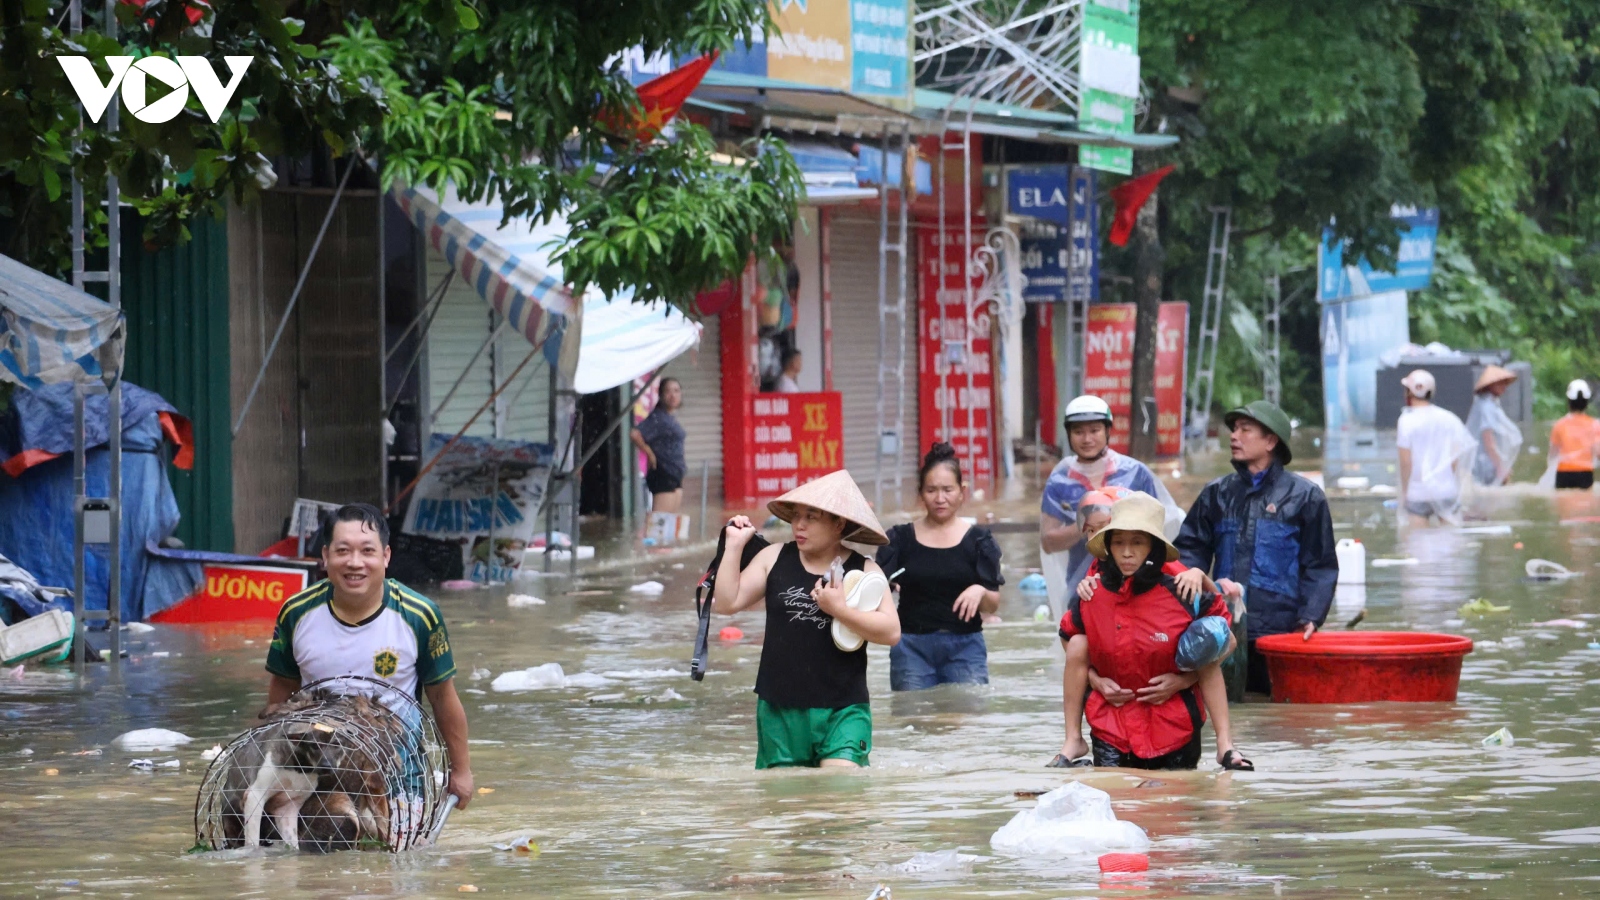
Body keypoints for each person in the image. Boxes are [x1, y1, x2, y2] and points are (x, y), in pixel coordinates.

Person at [265, 503, 473, 809]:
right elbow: (282, 691)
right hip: (317, 771)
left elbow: (442, 697)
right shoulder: (296, 612)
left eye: (367, 551)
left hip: (397, 774)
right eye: (343, 551)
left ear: (386, 557)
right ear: (325, 556)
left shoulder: (419, 615)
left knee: (391, 855)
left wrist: (462, 771)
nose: (355, 563)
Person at [711, 470, 900, 768]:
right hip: (780, 708)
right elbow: (725, 603)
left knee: (840, 792)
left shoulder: (864, 570)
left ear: (839, 523)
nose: (799, 525)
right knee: (788, 805)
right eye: (797, 516)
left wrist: (840, 610)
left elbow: (891, 632)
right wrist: (734, 546)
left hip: (844, 708)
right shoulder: (773, 558)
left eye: (812, 517)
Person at [1051, 493, 1251, 771]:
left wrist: (1184, 680)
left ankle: (1225, 745)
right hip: (1112, 728)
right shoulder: (1091, 594)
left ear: (1153, 547)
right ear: (1107, 545)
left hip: (1173, 728)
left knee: (1170, 806)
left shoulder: (1182, 592)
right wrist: (1095, 681)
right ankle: (1073, 739)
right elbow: (1068, 639)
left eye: (1137, 543)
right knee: (1114, 800)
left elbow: (1227, 640)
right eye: (1118, 542)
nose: (1127, 552)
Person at [1176, 400, 1338, 695]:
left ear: (1271, 441)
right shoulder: (1217, 493)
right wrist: (1194, 576)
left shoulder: (1306, 497)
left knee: (1276, 718)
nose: (1233, 436)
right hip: (1224, 629)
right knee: (1229, 710)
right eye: (1234, 429)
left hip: (1280, 634)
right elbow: (1189, 549)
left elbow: (1320, 565)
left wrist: (1311, 617)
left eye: (1245, 429)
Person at [1039, 395, 1183, 620]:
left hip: (1137, 583)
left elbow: (1161, 528)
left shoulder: (1135, 473)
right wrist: (1089, 524)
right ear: (1068, 434)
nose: (1087, 439)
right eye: (1078, 432)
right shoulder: (1060, 480)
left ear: (1107, 431)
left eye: (1094, 430)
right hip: (1084, 586)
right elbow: (1048, 542)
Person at [875, 443, 1003, 691]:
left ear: (962, 491)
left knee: (967, 722)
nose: (940, 498)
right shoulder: (899, 539)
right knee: (914, 722)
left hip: (965, 647)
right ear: (921, 493)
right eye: (932, 490)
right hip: (911, 647)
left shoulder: (979, 541)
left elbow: (992, 604)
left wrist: (979, 590)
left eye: (947, 490)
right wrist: (884, 587)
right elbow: (874, 588)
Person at [1396, 369, 1475, 526]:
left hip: (1417, 493)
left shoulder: (1406, 421)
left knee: (1417, 546)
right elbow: (1455, 460)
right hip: (1446, 491)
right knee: (1449, 543)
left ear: (1409, 392)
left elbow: (1406, 463)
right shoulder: (1449, 418)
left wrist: (1404, 492)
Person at [631, 377, 686, 513]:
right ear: (660, 395)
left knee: (670, 524)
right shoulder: (658, 417)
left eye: (676, 391)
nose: (673, 395)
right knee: (660, 523)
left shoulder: (669, 417)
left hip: (675, 473)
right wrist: (648, 452)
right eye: (668, 391)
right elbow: (634, 433)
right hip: (663, 473)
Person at [1466, 365, 1523, 486]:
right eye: (1501, 383)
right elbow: (1489, 441)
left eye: (1505, 383)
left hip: (1483, 462)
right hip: (1485, 465)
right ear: (1491, 385)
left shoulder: (1487, 403)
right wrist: (1500, 467)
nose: (1504, 387)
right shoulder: (1487, 407)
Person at [1549, 379, 1599, 490]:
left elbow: (1552, 455)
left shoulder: (1559, 424)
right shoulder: (1595, 425)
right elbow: (1598, 452)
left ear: (1568, 401)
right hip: (1584, 473)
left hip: (1563, 472)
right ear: (1587, 402)